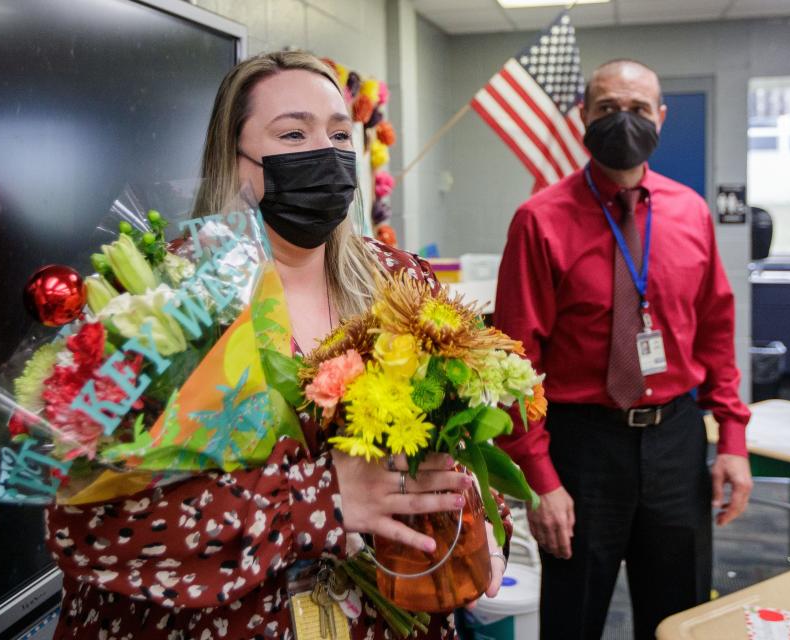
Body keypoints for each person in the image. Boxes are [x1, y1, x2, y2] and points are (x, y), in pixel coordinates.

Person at [47, 51, 508, 640]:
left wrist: (471, 517)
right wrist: (322, 500)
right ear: (235, 161)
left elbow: (456, 448)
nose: (329, 152)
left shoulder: (402, 284)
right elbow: (87, 526)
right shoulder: (161, 304)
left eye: (341, 134)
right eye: (294, 133)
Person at [493, 58, 753, 640]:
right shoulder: (539, 220)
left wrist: (732, 439)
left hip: (676, 442)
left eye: (638, 110)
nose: (623, 120)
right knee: (573, 616)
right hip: (582, 448)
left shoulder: (691, 212)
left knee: (680, 615)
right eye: (608, 108)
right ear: (583, 116)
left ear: (660, 118)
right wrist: (540, 477)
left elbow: (715, 329)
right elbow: (514, 363)